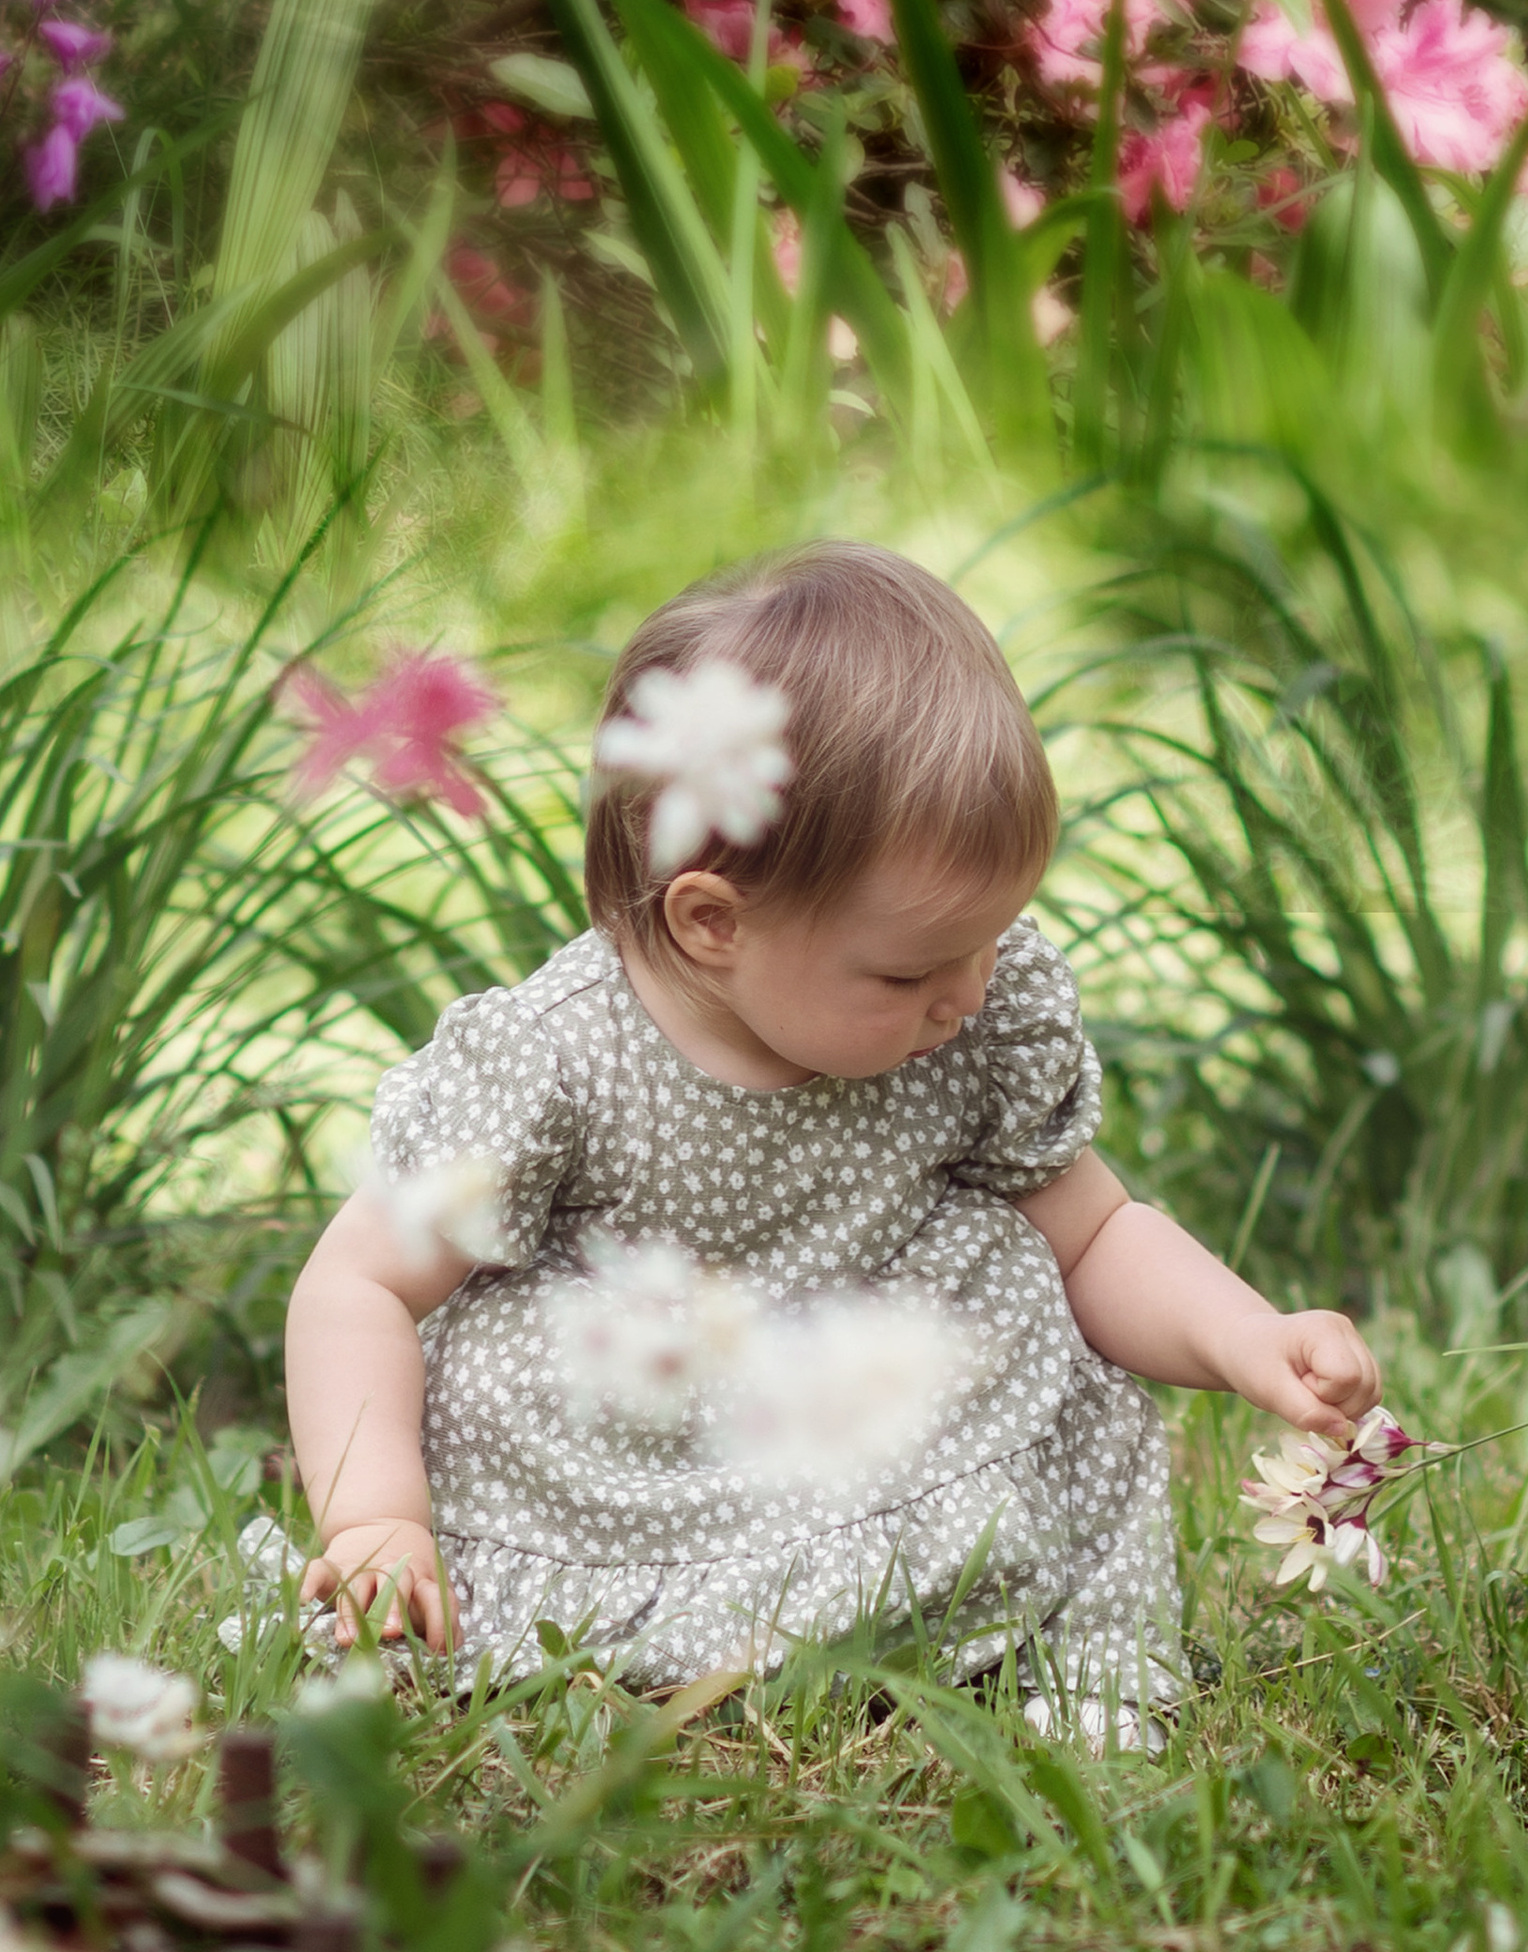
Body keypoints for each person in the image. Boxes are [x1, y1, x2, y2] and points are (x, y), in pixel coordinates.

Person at [285, 542, 1379, 1742]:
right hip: (639, 1446)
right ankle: (644, 1639)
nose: (965, 993)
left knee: (1020, 1290)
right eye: (911, 968)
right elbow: (359, 1285)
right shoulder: (549, 1063)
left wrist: (1248, 1337)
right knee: (498, 1366)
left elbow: (1095, 1231)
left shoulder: (968, 1017)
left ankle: (1072, 1661)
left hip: (867, 1402)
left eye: (989, 942)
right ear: (712, 923)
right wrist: (375, 1512)